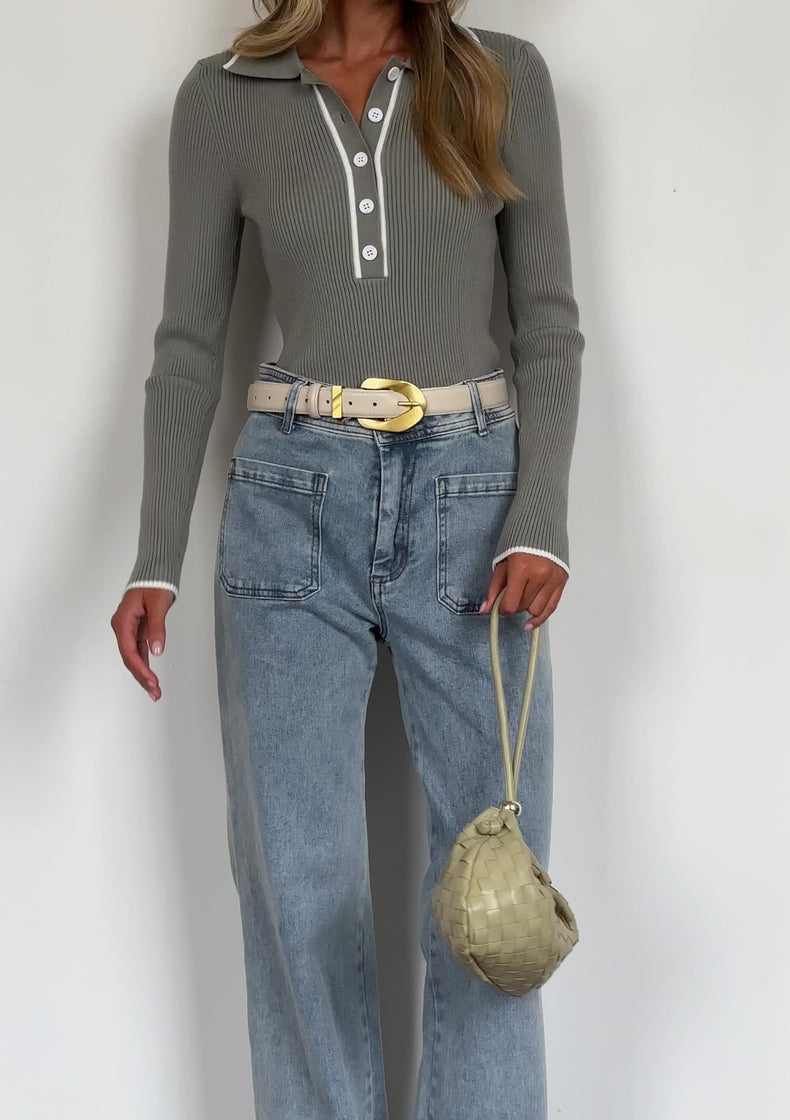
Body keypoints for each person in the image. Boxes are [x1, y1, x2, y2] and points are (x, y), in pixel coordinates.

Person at [110, 1, 585, 1117]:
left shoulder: (499, 76)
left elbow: (548, 321)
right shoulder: (222, 97)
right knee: (295, 885)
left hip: (474, 503)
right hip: (289, 496)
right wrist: (153, 555)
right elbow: (188, 344)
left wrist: (539, 517)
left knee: (492, 893)